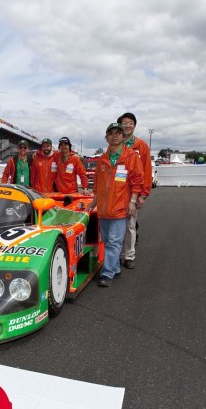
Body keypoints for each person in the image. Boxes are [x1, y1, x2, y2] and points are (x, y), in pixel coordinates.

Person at [87, 123, 143, 287]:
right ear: (106, 137)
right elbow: (97, 184)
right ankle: (116, 268)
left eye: (118, 132)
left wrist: (132, 202)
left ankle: (107, 273)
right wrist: (94, 202)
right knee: (106, 240)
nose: (115, 135)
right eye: (111, 133)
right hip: (104, 210)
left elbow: (137, 182)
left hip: (120, 209)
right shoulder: (102, 160)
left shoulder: (132, 157)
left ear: (123, 136)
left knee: (113, 242)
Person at [117, 112, 152, 269]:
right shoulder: (115, 143)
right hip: (116, 192)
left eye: (130, 123)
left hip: (134, 192)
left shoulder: (141, 145)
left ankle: (129, 256)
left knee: (130, 225)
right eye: (124, 123)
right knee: (115, 225)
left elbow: (146, 170)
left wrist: (143, 194)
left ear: (135, 125)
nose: (127, 125)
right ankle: (116, 255)